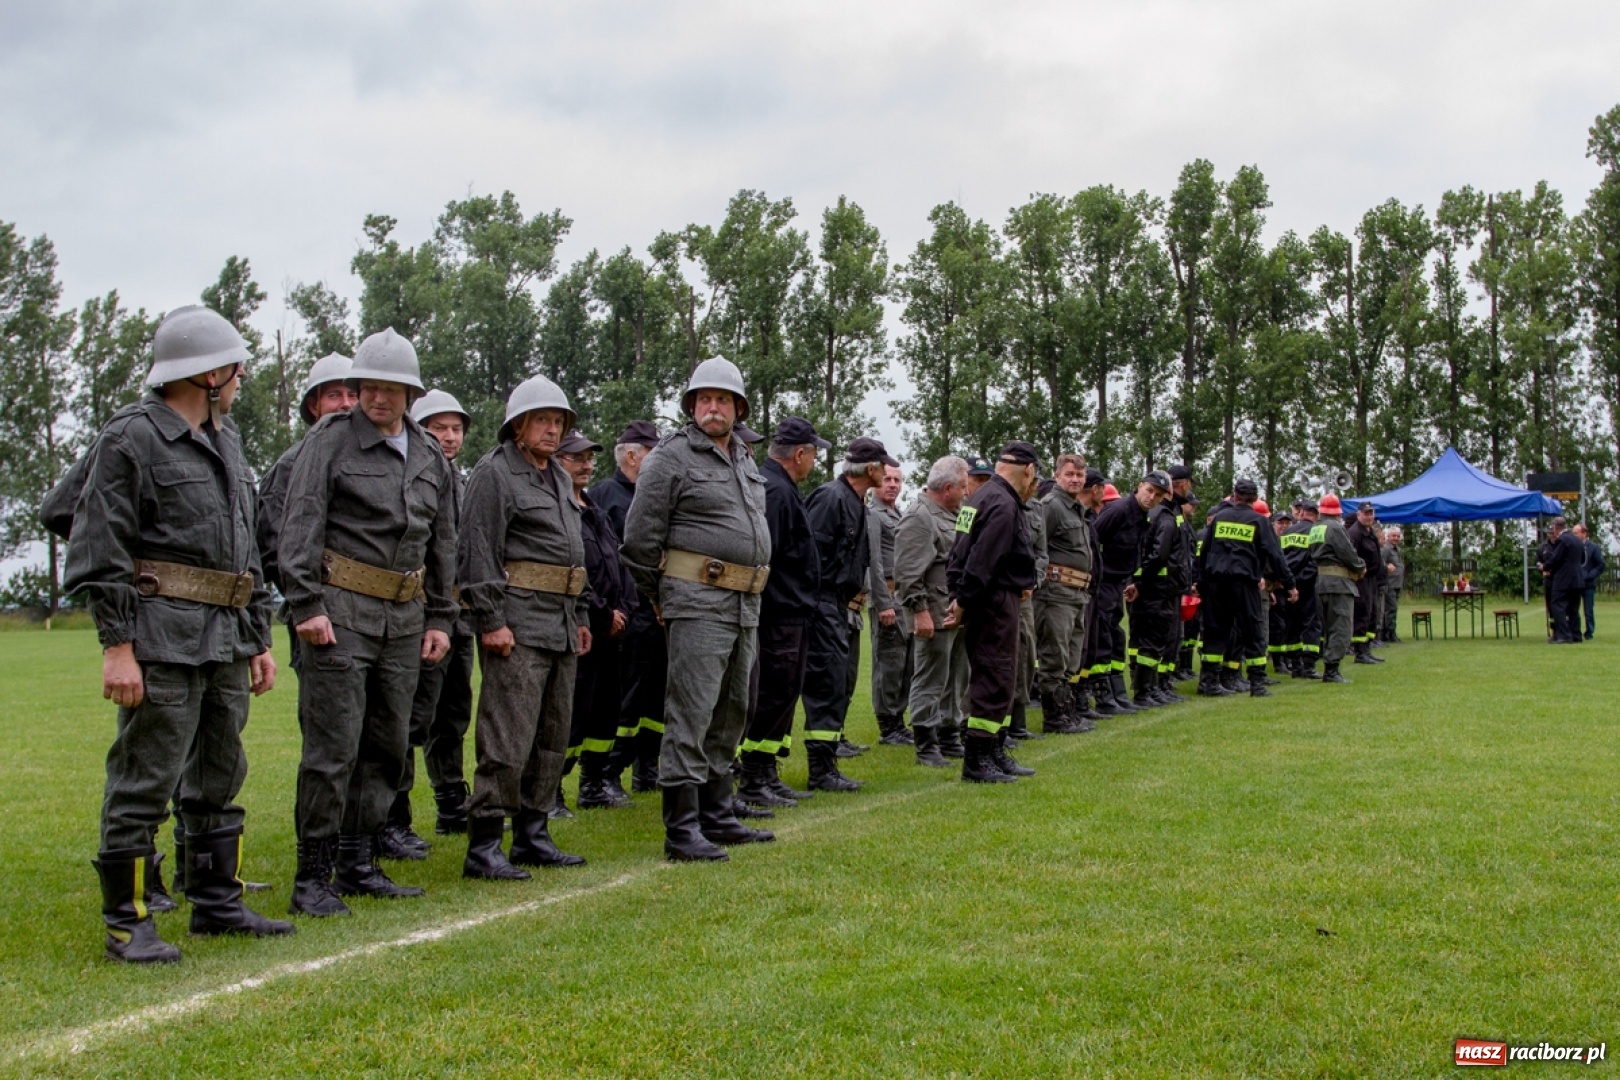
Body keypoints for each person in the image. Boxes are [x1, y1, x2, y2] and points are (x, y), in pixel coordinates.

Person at [66, 305, 292, 962]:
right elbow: (98, 548)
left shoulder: (228, 440)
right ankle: (127, 921)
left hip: (224, 638)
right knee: (145, 775)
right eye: (238, 365)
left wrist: (256, 637)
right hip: (160, 638)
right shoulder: (130, 439)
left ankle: (217, 903)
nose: (244, 374)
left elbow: (242, 549)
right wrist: (116, 646)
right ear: (210, 371)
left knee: (222, 769)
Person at [280, 328, 457, 914]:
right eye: (369, 388)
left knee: (387, 743)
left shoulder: (429, 453)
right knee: (334, 745)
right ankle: (312, 876)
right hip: (341, 612)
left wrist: (440, 618)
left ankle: (358, 862)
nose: (379, 399)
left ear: (410, 393)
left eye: (391, 389)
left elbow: (442, 545)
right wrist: (305, 605)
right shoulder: (331, 441)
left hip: (406, 619)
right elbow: (301, 521)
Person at [621, 357, 775, 861]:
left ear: (737, 408)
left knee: (733, 709)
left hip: (744, 602)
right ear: (691, 407)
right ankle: (682, 827)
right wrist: (662, 596)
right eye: (704, 399)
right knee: (691, 709)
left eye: (723, 400)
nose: (714, 407)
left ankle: (718, 812)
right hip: (697, 600)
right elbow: (639, 539)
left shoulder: (745, 460)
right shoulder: (669, 458)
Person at [455, 378, 590, 880]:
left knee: (552, 734)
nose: (552, 429)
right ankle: (485, 842)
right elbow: (477, 550)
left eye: (559, 421)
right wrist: (491, 620)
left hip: (559, 622)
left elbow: (572, 553)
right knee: (507, 735)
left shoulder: (557, 475)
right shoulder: (494, 474)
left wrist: (578, 615)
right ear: (518, 425)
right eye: (542, 420)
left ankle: (533, 834)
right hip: (517, 624)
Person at [383, 389, 476, 856]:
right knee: (407, 718)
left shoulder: (459, 481)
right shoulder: (406, 475)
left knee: (454, 712)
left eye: (456, 428)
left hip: (457, 616)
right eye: (439, 427)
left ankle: (450, 801)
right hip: (415, 613)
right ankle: (391, 815)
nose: (449, 436)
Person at [736, 418, 828, 807]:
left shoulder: (783, 487)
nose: (815, 462)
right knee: (771, 694)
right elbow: (764, 556)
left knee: (784, 693)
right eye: (814, 453)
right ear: (800, 454)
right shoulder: (773, 490)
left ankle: (767, 770)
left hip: (793, 613)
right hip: (777, 615)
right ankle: (754, 776)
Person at [801, 437, 898, 790]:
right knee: (826, 685)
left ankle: (827, 763)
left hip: (839, 605)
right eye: (883, 466)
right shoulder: (831, 498)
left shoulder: (855, 501)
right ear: (870, 469)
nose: (887, 472)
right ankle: (821, 770)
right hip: (822, 603)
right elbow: (810, 555)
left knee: (837, 683)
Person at [946, 442, 1041, 782]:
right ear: (1028, 471)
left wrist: (958, 593)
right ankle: (977, 761)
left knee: (1000, 675)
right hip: (994, 600)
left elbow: (958, 550)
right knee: (994, 675)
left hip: (985, 596)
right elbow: (983, 558)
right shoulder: (1002, 504)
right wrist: (965, 600)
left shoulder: (979, 498)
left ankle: (994, 750)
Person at [559, 429, 639, 811]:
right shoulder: (558, 510)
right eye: (576, 458)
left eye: (589, 458)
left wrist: (624, 607)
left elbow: (616, 562)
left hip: (613, 629)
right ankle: (549, 790)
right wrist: (603, 614)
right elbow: (574, 573)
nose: (586, 465)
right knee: (570, 712)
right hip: (582, 627)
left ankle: (593, 784)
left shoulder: (594, 510)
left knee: (605, 711)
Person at [587, 420, 666, 794]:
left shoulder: (657, 495)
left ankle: (647, 766)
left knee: (656, 696)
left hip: (658, 610)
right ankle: (607, 773)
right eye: (653, 452)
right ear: (632, 455)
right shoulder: (605, 495)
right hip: (627, 615)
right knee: (625, 697)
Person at [895, 456, 972, 766]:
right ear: (948, 487)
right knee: (930, 677)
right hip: (934, 612)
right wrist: (919, 611)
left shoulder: (958, 513)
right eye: (964, 487)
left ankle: (949, 733)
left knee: (956, 678)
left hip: (956, 612)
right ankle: (926, 742)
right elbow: (908, 572)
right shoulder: (919, 517)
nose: (968, 493)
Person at [1196, 479, 1295, 697]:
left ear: (1235, 495)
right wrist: (1289, 584)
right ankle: (1257, 684)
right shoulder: (1259, 521)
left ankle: (1209, 682)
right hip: (1244, 583)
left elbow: (1205, 553)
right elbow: (1275, 556)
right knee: (1253, 632)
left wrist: (1200, 582)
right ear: (1255, 499)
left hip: (1216, 582)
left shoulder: (1219, 518)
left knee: (1215, 632)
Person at [1033, 454, 1095, 734]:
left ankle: (1066, 710)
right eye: (1070, 474)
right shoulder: (1052, 505)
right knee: (1054, 656)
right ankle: (1054, 716)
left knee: (1071, 657)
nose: (1075, 479)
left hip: (1076, 593)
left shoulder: (1075, 508)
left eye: (1080, 475)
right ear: (1057, 476)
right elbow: (1035, 547)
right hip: (1055, 593)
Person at [1092, 476, 1164, 714]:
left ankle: (1117, 693)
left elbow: (1132, 552)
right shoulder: (1120, 510)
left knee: (1115, 637)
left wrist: (1131, 581)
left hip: (1117, 583)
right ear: (1140, 486)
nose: (1152, 497)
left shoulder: (1141, 517)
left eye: (1158, 495)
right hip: (1102, 582)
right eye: (1150, 491)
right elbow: (1093, 539)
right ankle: (1103, 697)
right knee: (1103, 637)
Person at [1129, 471, 1188, 708]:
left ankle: (1150, 688)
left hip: (1158, 588)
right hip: (1158, 589)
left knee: (1153, 639)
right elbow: (1159, 555)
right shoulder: (1164, 517)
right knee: (1152, 640)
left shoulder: (1158, 514)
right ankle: (1145, 691)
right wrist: (1142, 581)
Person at [867, 464, 915, 746]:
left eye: (897, 480)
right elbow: (872, 560)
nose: (893, 485)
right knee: (889, 663)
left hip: (904, 597)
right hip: (887, 595)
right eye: (887, 479)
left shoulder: (899, 514)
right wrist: (881, 601)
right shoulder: (872, 514)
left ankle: (898, 719)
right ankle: (888, 723)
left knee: (906, 663)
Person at [1309, 493, 1363, 683]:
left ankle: (1329, 667)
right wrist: (1360, 566)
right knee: (1341, 626)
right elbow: (1347, 553)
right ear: (1337, 512)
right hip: (1339, 583)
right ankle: (1332, 670)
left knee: (1328, 626)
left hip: (1322, 582)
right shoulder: (1334, 528)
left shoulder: (1315, 528)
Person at [1278, 499, 1322, 678]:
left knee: (1292, 625)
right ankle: (1309, 666)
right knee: (1311, 624)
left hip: (1289, 585)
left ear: (1302, 513)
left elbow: (1280, 559)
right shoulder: (1316, 531)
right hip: (1309, 585)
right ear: (1316, 515)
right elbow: (1316, 560)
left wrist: (1288, 582)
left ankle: (1295, 665)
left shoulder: (1287, 532)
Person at [1167, 466, 1201, 681]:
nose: (1195, 508)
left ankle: (1170, 676)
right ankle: (1159, 681)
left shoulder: (1181, 518)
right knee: (1167, 635)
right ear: (1183, 483)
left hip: (1180, 584)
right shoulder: (1169, 512)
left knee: (1179, 634)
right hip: (1168, 585)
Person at [1345, 504, 1384, 664]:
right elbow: (1351, 555)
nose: (1369, 517)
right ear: (1359, 514)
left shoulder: (1370, 532)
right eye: (1366, 514)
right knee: (1362, 614)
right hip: (1361, 579)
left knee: (1372, 614)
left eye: (1371, 513)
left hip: (1372, 580)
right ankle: (1360, 652)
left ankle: (1367, 649)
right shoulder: (1355, 533)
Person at [1540, 516, 1585, 643]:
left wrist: (1545, 566)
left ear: (1555, 527)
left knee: (1557, 605)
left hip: (1564, 580)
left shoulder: (1562, 540)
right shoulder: (1577, 540)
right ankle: (1576, 634)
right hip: (1578, 579)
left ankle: (1564, 635)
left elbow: (1556, 558)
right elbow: (1582, 559)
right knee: (1573, 608)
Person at [1575, 523, 1604, 640]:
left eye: (1576, 533)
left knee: (1588, 610)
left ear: (1584, 533)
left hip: (1588, 584)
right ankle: (1575, 630)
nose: (1574, 535)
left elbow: (1601, 564)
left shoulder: (1593, 547)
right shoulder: (1573, 546)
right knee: (1573, 608)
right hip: (1576, 583)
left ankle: (1589, 632)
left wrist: (1590, 575)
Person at [1377, 527, 1405, 643]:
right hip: (1390, 584)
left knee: (1392, 609)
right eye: (1394, 536)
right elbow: (1381, 562)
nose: (1396, 538)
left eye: (1398, 536)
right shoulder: (1386, 549)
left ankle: (1388, 632)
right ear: (1388, 536)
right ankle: (1388, 633)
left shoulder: (1396, 549)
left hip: (1397, 584)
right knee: (1391, 609)